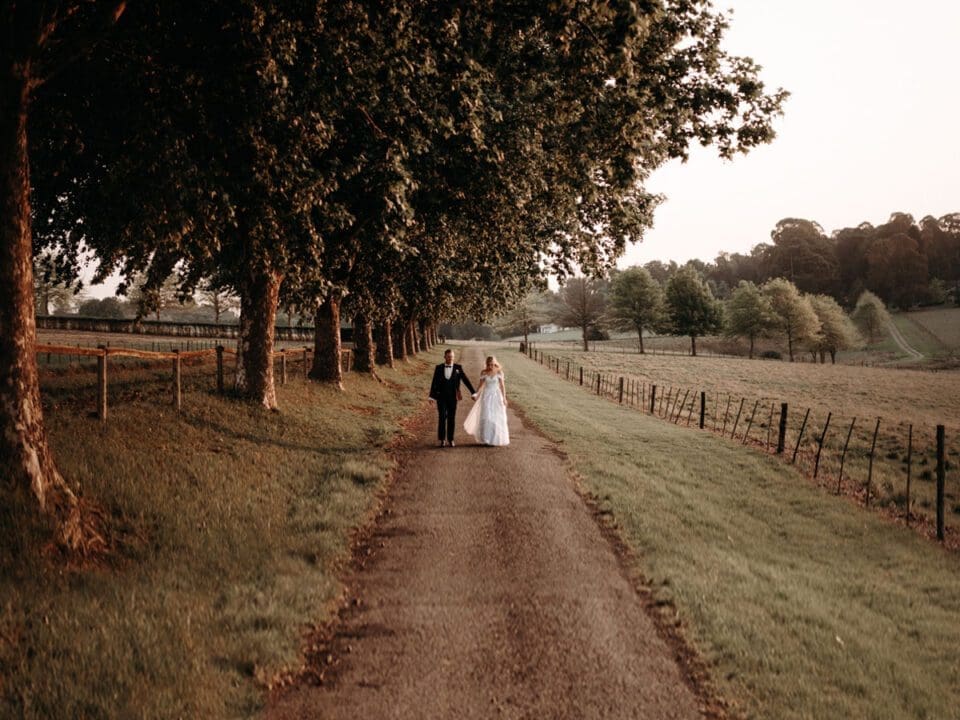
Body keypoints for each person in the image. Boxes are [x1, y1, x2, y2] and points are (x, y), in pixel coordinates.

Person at [428, 349, 477, 447]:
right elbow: (434, 382)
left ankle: (451, 439)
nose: (451, 358)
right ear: (445, 357)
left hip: (452, 397)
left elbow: (465, 380)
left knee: (451, 418)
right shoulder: (438, 368)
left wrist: (473, 393)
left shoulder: (458, 368)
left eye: (452, 357)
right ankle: (442, 439)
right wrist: (431, 396)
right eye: (449, 356)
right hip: (441, 397)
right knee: (442, 417)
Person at [463, 355, 509, 446]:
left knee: (496, 417)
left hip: (496, 396)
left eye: (492, 364)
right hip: (486, 396)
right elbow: (481, 386)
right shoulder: (484, 372)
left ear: (495, 363)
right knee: (486, 417)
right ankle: (486, 439)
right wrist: (476, 394)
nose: (490, 367)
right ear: (486, 364)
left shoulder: (499, 372)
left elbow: (502, 386)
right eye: (489, 365)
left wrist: (504, 398)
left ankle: (495, 439)